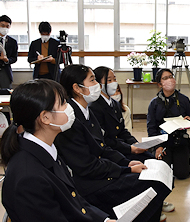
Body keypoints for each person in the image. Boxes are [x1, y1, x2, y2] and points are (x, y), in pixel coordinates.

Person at [55, 64, 171, 221]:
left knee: (158, 178)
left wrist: (127, 164)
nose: (97, 85)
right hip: (91, 184)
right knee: (153, 184)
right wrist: (125, 169)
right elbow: (88, 166)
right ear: (77, 88)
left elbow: (102, 147)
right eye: (92, 80)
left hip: (103, 170)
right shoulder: (73, 119)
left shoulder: (86, 111)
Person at [0, 79, 115, 221]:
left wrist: (103, 220)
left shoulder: (46, 149)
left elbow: (74, 201)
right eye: (63, 103)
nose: (69, 107)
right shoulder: (29, 177)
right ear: (45, 117)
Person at [90, 66, 152, 162]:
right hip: (111, 151)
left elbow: (122, 130)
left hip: (122, 145)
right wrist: (130, 149)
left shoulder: (115, 104)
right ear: (99, 84)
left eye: (115, 79)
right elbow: (105, 140)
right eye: (109, 80)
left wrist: (134, 143)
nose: (114, 83)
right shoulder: (95, 107)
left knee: (151, 158)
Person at [147, 68, 190, 180]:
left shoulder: (184, 99)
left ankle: (184, 157)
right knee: (162, 174)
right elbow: (151, 127)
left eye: (171, 77)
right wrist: (158, 146)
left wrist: (188, 120)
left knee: (182, 174)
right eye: (165, 78)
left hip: (180, 140)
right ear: (160, 84)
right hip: (163, 141)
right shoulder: (154, 103)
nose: (170, 80)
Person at [0, 15, 18, 89]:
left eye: (7, 26)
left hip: (5, 71)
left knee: (6, 92)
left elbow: (14, 58)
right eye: (2, 25)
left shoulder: (13, 42)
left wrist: (7, 60)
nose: (5, 28)